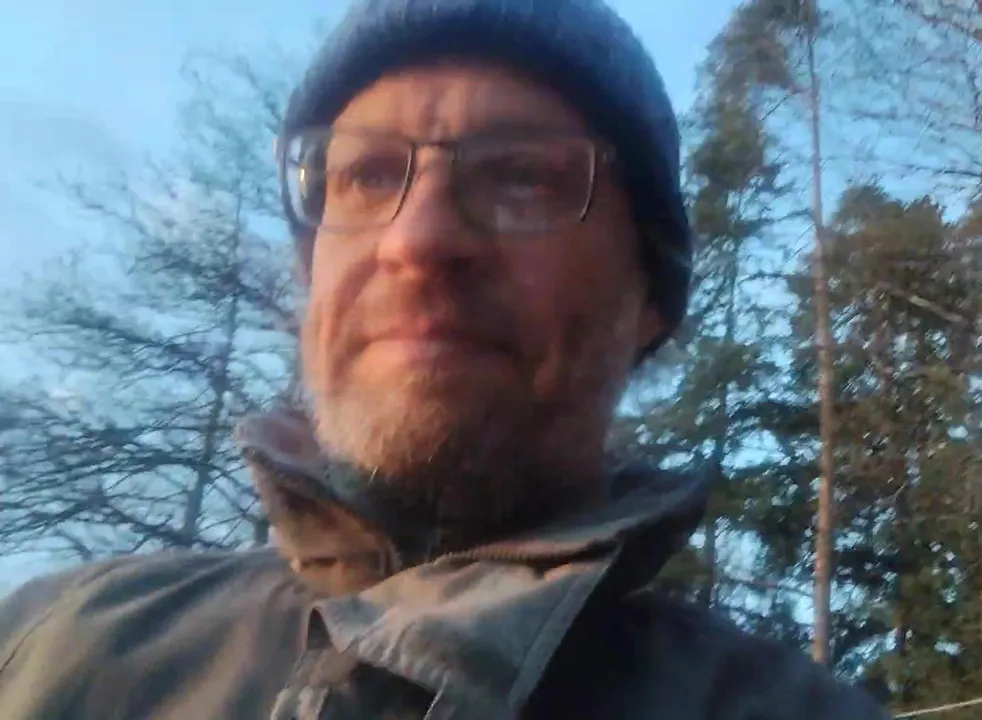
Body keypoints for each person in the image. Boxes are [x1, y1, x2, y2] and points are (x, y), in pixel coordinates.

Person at [0, 0, 889, 717]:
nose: (417, 240)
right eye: (366, 175)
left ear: (648, 295)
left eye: (524, 176)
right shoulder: (48, 646)